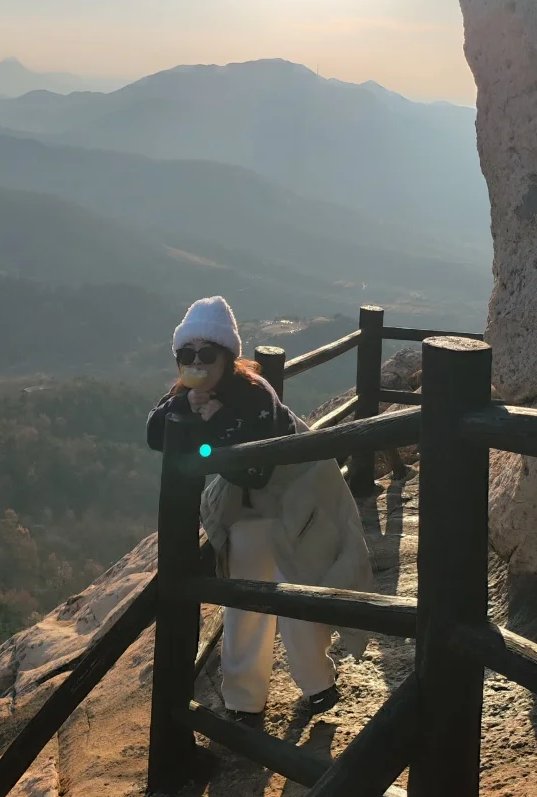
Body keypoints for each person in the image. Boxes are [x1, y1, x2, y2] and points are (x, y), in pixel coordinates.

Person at [147, 295, 374, 722]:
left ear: (227, 355)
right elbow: (155, 432)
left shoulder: (254, 392)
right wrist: (189, 412)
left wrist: (212, 427)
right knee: (243, 603)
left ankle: (319, 685)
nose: (195, 362)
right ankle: (244, 702)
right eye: (185, 355)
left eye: (205, 354)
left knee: (298, 594)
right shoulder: (189, 393)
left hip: (294, 502)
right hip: (249, 513)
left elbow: (256, 470)